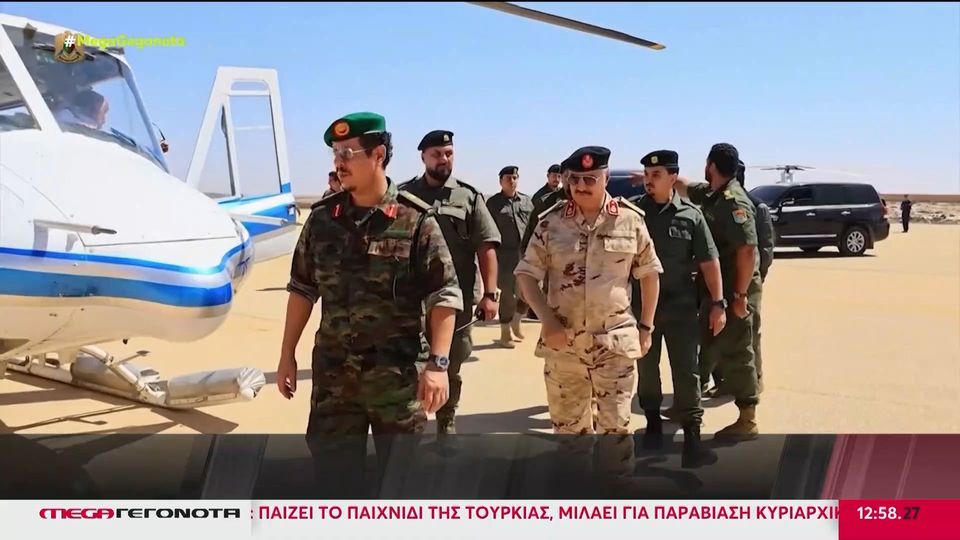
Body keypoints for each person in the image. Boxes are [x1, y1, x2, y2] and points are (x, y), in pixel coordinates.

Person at [277, 112, 462, 494]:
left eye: (348, 153)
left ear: (378, 154)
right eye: (335, 153)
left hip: (396, 382)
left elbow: (444, 293)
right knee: (333, 483)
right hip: (334, 382)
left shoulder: (415, 220)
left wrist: (439, 365)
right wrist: (286, 354)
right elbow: (302, 289)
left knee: (401, 484)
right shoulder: (323, 220)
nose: (338, 162)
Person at [516, 146, 662, 474]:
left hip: (614, 346)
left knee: (616, 432)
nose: (581, 186)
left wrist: (646, 327)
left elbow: (650, 275)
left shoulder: (630, 220)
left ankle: (616, 493)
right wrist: (547, 321)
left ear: (605, 178)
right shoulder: (551, 222)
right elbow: (526, 275)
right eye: (575, 180)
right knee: (569, 434)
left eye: (590, 179)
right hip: (564, 347)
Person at [398, 129, 502, 437]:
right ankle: (411, 422)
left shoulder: (468, 197)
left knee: (450, 363)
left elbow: (486, 245)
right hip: (412, 299)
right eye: (437, 154)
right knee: (408, 363)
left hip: (456, 300)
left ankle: (446, 420)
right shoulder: (404, 195)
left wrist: (490, 294)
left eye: (449, 153)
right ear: (423, 157)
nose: (444, 159)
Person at [628, 150, 724, 468]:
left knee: (687, 372)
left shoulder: (691, 215)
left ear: (673, 178)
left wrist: (718, 303)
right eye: (646, 175)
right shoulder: (634, 213)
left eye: (656, 175)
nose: (649, 180)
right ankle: (653, 426)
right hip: (643, 310)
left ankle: (692, 439)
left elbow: (709, 262)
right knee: (647, 370)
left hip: (682, 308)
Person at [666, 143, 762, 441]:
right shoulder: (713, 194)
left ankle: (747, 419)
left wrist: (740, 297)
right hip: (716, 289)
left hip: (735, 290)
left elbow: (747, 250)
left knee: (738, 350)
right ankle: (689, 404)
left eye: (706, 163)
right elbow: (686, 186)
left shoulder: (734, 202)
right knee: (705, 347)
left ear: (711, 165)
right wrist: (664, 176)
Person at [486, 166, 535, 348]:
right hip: (504, 255)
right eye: (508, 178)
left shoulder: (527, 201)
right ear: (501, 181)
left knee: (531, 290)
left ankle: (517, 319)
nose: (512, 181)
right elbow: (487, 228)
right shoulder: (493, 204)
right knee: (507, 293)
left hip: (526, 253)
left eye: (515, 177)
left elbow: (534, 225)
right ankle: (505, 331)